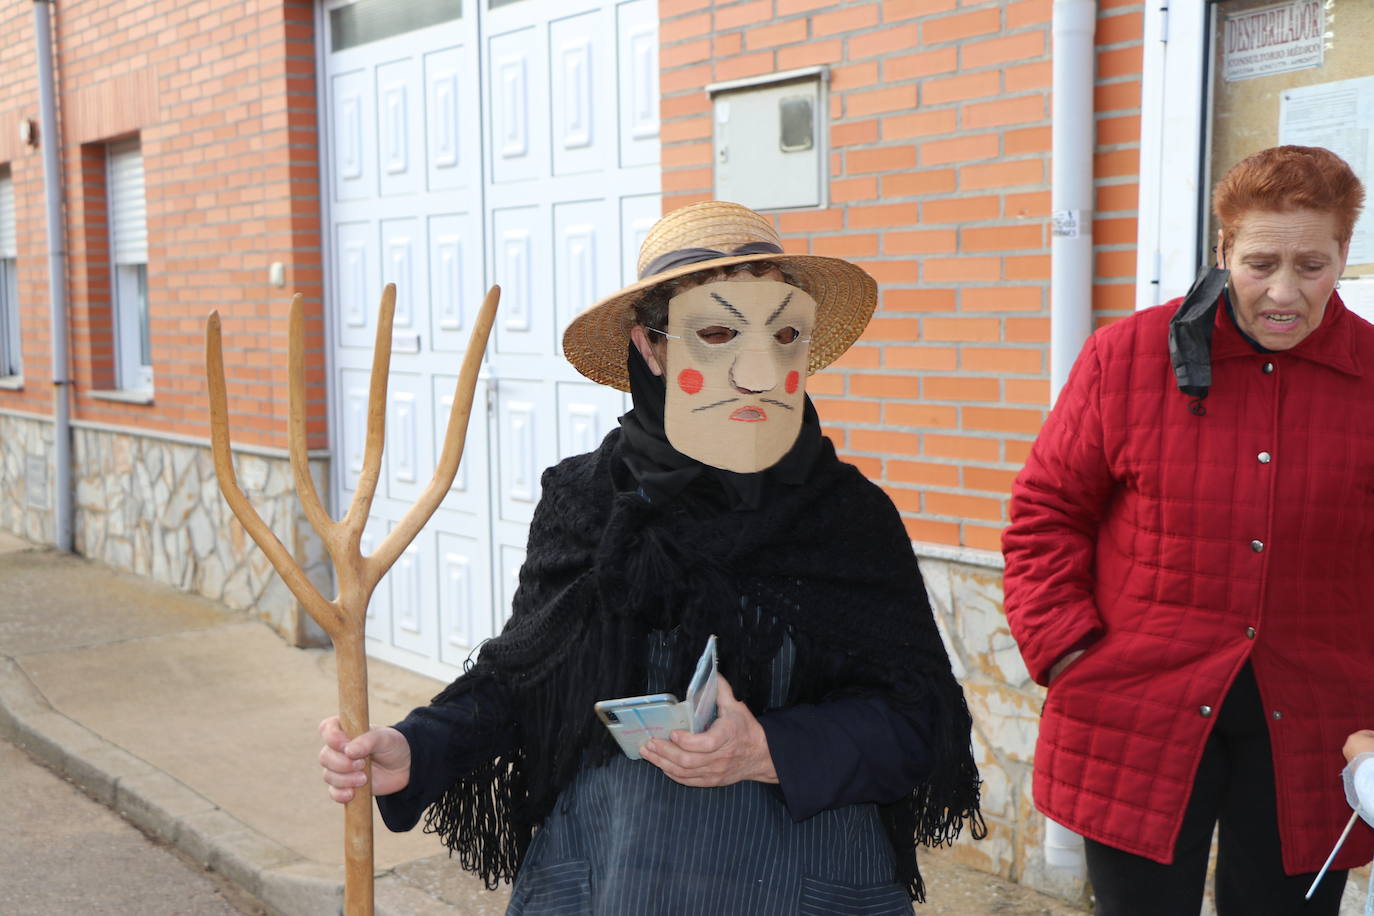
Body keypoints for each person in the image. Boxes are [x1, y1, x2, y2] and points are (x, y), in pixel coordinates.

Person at [318, 201, 983, 914]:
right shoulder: (586, 501)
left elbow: (921, 725)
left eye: (781, 332)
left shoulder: (850, 518)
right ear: (652, 346)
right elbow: (522, 683)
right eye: (719, 332)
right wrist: (414, 748)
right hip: (610, 878)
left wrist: (767, 748)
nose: (754, 370)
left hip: (805, 889)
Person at [1002, 145, 1374, 915]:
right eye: (1260, 261)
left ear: (1345, 254)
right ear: (1223, 250)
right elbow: (1047, 513)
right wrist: (1067, 647)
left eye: (1311, 265)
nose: (1282, 292)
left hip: (1316, 726)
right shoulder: (1125, 357)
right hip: (1134, 709)